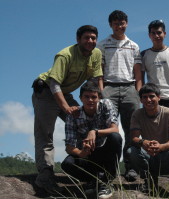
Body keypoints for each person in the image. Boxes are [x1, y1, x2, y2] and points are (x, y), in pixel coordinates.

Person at [31, 25, 102, 194]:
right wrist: (65, 107)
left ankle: (88, 170)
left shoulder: (97, 54)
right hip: (47, 92)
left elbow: (95, 80)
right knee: (45, 133)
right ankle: (45, 176)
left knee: (85, 126)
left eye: (93, 38)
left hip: (66, 92)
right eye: (86, 38)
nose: (90, 41)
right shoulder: (65, 55)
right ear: (78, 40)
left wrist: (99, 103)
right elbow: (55, 83)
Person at [97, 10, 142, 181]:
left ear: (127, 23)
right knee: (108, 127)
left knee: (132, 128)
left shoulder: (133, 45)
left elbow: (138, 72)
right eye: (116, 23)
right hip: (109, 87)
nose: (119, 26)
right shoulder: (103, 44)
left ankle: (131, 167)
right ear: (110, 25)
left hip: (129, 88)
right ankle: (109, 168)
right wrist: (102, 90)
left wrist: (138, 91)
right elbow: (99, 70)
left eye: (122, 22)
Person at [61, 81, 122, 199]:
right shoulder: (73, 115)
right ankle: (93, 180)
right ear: (80, 98)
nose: (90, 100)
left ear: (99, 97)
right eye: (86, 97)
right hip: (87, 155)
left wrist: (95, 132)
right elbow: (69, 146)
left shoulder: (106, 105)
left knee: (115, 138)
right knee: (67, 164)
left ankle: (107, 181)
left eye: (94, 97)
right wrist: (81, 153)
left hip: (104, 153)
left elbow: (115, 129)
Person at [127, 83, 169, 196]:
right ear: (140, 100)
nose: (148, 100)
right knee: (132, 151)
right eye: (144, 97)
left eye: (152, 96)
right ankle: (149, 181)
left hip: (166, 155)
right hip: (149, 155)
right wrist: (144, 142)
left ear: (159, 97)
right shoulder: (137, 114)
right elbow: (133, 138)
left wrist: (161, 147)